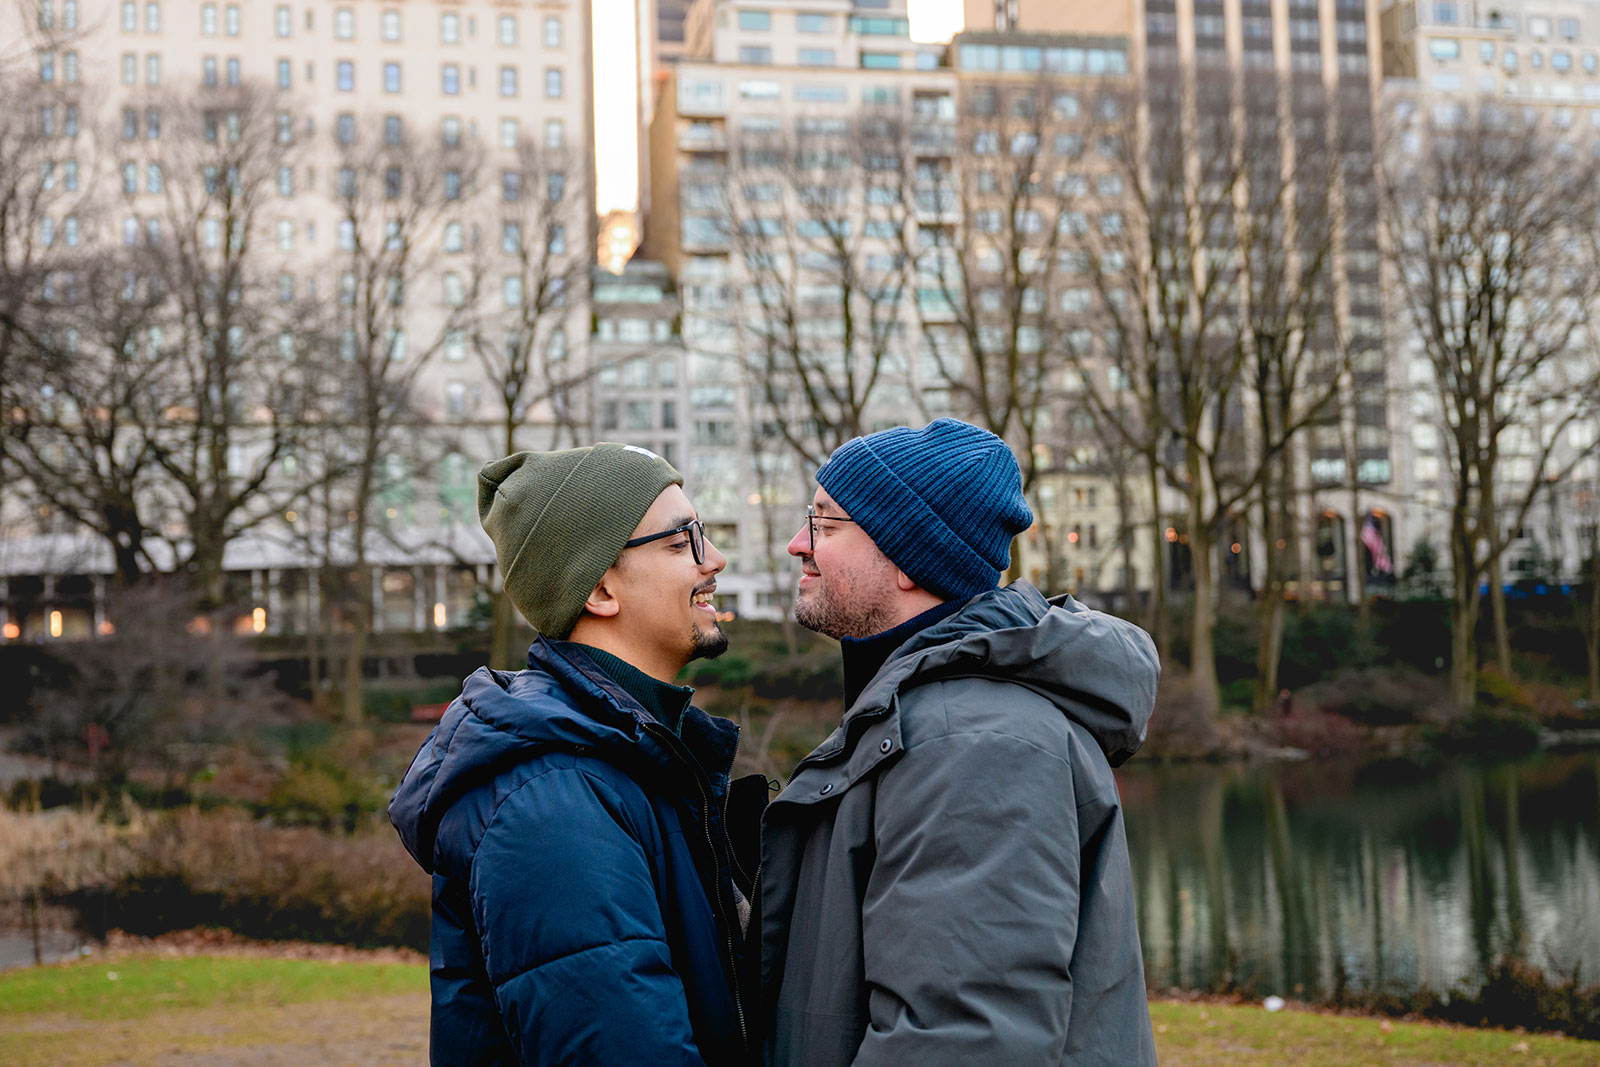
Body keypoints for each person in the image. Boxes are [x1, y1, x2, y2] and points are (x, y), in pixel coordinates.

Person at [759, 418, 1159, 1066]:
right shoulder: (927, 716)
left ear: (908, 558)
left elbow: (960, 1041)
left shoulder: (974, 744)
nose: (796, 544)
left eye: (826, 524)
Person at [389, 444, 765, 1066]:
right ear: (598, 590)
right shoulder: (552, 794)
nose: (714, 560)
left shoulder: (636, 761)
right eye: (682, 543)